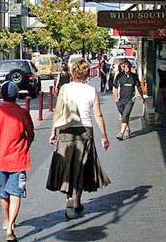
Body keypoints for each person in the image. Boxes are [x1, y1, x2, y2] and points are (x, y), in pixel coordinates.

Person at [46, 58, 110, 220]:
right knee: (81, 167)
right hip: (85, 132)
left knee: (67, 165)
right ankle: (77, 201)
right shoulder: (91, 91)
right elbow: (98, 115)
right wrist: (104, 137)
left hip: (66, 130)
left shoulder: (65, 89)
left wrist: (53, 131)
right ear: (87, 73)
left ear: (73, 72)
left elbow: (58, 111)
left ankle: (68, 198)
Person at [0, 81, 35, 241]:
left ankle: (6, 220)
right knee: (16, 193)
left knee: (3, 193)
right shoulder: (22, 113)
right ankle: (11, 228)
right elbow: (31, 133)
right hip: (18, 159)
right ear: (16, 95)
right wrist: (25, 145)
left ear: (1, 95)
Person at [113, 60, 145, 140]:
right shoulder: (119, 76)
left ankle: (121, 133)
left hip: (130, 100)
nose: (126, 68)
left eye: (127, 66)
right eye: (124, 66)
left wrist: (142, 97)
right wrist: (116, 99)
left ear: (130, 67)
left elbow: (138, 87)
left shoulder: (134, 76)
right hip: (120, 100)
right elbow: (115, 88)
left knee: (125, 115)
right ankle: (127, 129)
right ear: (122, 67)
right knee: (125, 116)